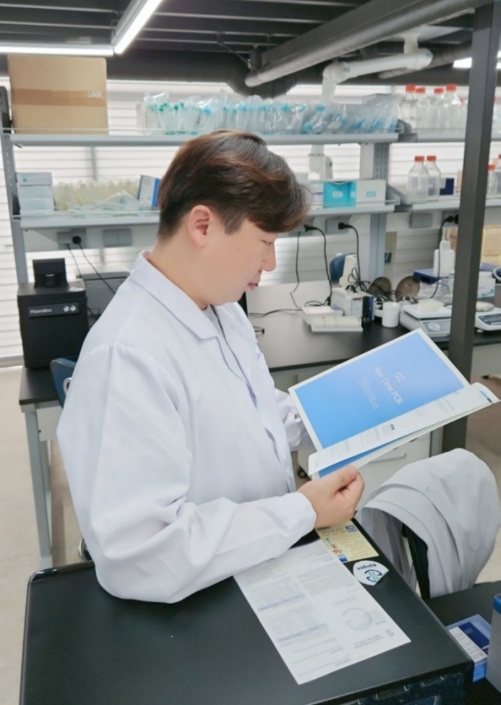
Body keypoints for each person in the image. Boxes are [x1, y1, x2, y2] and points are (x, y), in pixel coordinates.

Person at [57, 130, 365, 603]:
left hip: (261, 561)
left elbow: (251, 408)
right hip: (202, 602)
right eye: (264, 241)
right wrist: (302, 511)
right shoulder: (126, 357)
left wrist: (325, 416)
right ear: (202, 226)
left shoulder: (220, 307)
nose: (270, 262)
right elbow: (141, 556)